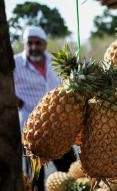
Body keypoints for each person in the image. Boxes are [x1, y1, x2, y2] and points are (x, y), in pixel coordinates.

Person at [13, 26, 76, 191]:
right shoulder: (15, 63)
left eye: (38, 43)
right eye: (30, 43)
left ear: (45, 44)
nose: (34, 47)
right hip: (31, 131)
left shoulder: (56, 62)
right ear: (25, 44)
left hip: (59, 128)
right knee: (35, 180)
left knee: (72, 171)